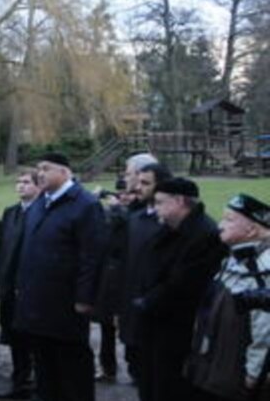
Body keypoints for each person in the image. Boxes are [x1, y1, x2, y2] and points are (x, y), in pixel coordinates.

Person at [12, 153, 105, 401]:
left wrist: (85, 297)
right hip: (37, 301)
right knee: (44, 365)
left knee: (72, 366)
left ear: (64, 172)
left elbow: (92, 256)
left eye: (46, 168)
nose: (39, 173)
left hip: (67, 303)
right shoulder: (40, 202)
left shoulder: (85, 205)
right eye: (38, 168)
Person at [132, 177, 226, 401]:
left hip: (178, 331)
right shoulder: (170, 229)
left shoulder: (205, 234)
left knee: (171, 387)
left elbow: (183, 285)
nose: (155, 208)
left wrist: (147, 302)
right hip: (156, 325)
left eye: (160, 202)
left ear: (180, 202)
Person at [185, 194, 270, 401]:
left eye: (229, 220)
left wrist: (253, 375)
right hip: (214, 364)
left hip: (235, 375)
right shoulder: (232, 258)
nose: (220, 225)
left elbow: (264, 331)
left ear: (251, 230)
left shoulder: (261, 270)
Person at [120, 159, 170, 393]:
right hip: (133, 307)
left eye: (145, 183)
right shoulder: (135, 219)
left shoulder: (172, 225)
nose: (137, 187)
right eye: (137, 181)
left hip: (159, 314)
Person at [0, 168, 40, 399]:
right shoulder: (10, 212)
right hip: (9, 287)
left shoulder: (43, 212)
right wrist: (1, 279)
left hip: (32, 289)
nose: (21, 186)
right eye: (18, 182)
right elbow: (2, 248)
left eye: (26, 182)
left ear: (39, 186)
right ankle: (20, 381)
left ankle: (39, 383)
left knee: (35, 338)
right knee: (14, 336)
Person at [92, 178, 129, 384]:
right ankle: (108, 368)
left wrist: (118, 210)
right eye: (119, 193)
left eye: (127, 193)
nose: (123, 196)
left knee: (131, 328)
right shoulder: (111, 213)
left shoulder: (137, 214)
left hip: (130, 276)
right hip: (110, 276)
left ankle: (136, 368)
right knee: (107, 326)